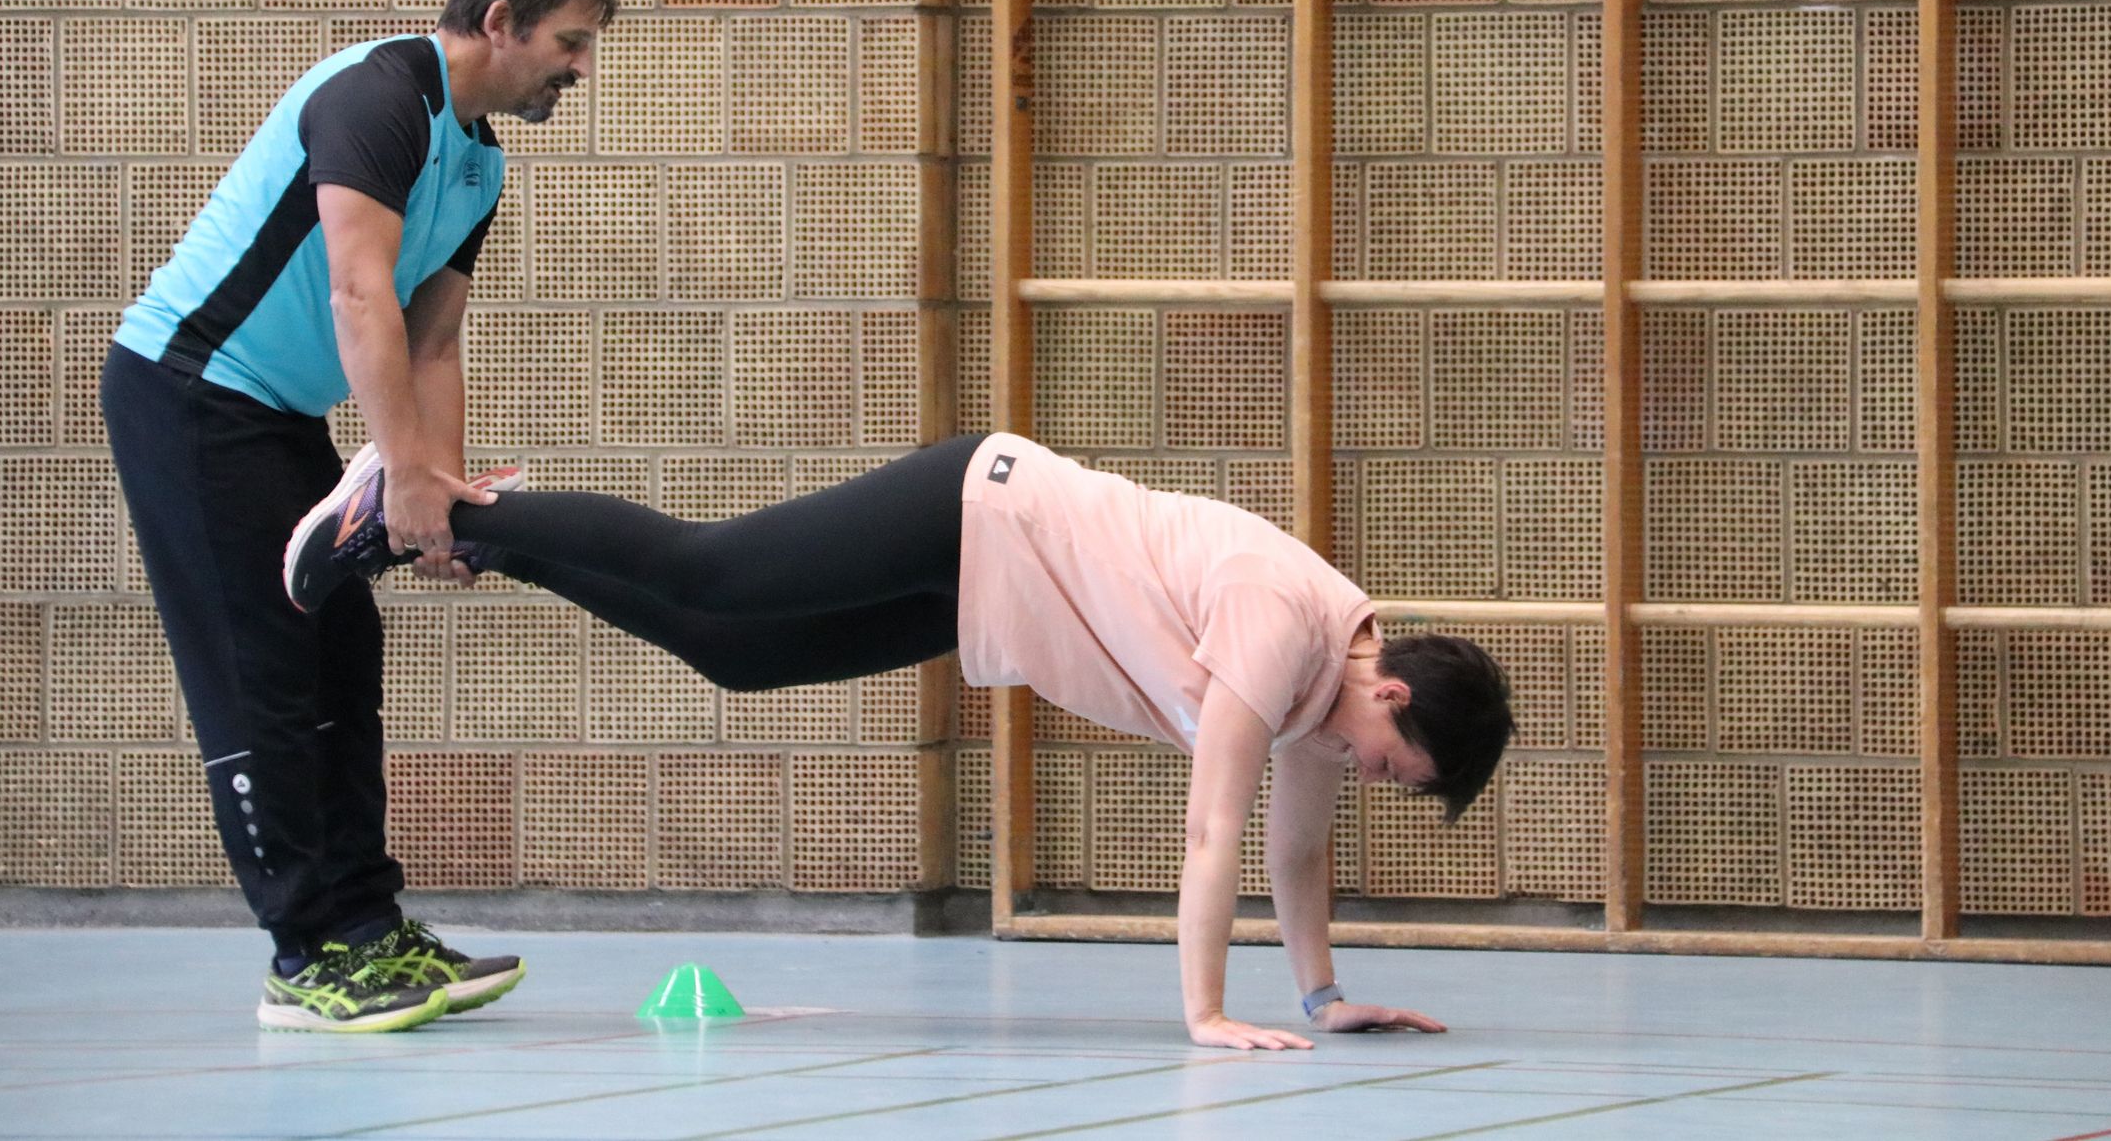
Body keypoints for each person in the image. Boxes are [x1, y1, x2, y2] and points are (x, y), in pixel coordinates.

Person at [286, 431, 1517, 1049]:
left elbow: (1296, 856)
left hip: (981, 591)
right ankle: (420, 493)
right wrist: (1205, 1014)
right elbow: (1215, 827)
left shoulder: (1329, 699)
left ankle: (485, 540)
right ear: (1392, 697)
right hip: (974, 510)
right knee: (716, 574)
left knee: (737, 655)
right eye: (1386, 765)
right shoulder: (1283, 622)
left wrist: (1323, 997)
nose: (1363, 776)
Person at [101, 0, 617, 1033]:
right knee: (262, 671)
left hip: (274, 413)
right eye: (571, 44)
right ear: (500, 23)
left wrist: (438, 499)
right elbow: (357, 295)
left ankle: (368, 928)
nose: (581, 69)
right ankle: (304, 956)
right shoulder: (377, 98)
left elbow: (432, 342)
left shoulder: (480, 163)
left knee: (342, 653)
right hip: (187, 395)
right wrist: (404, 477)